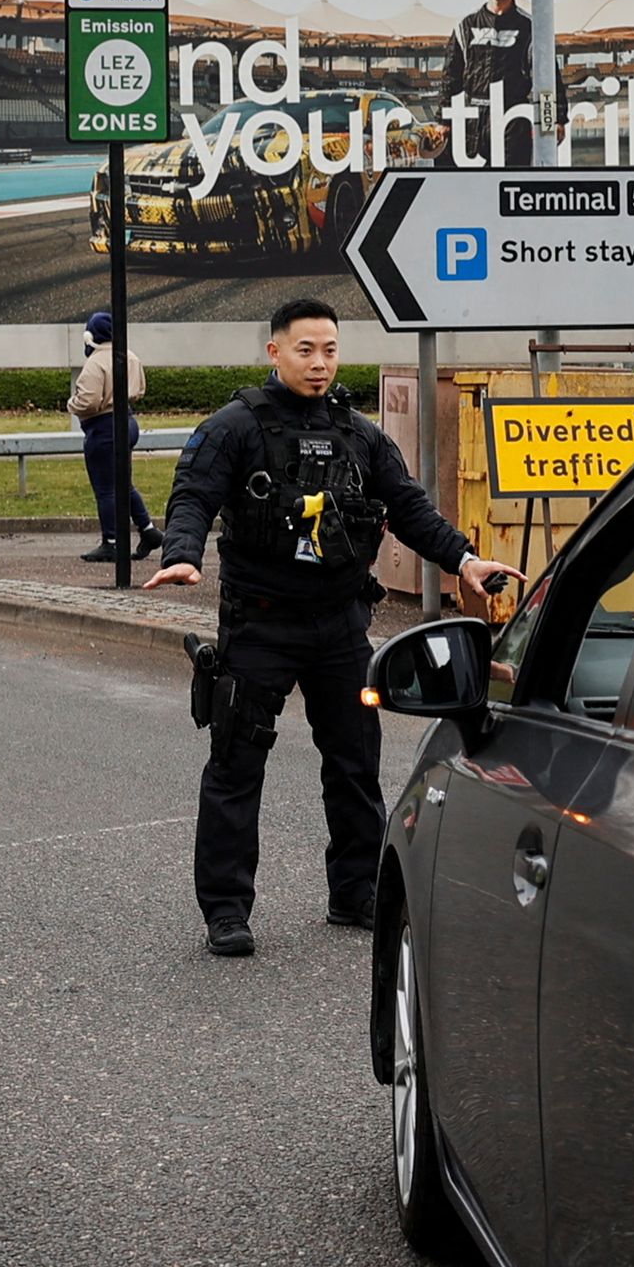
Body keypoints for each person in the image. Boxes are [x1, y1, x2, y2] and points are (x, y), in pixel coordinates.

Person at [144, 296, 511, 957]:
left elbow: (409, 506)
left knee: (354, 763)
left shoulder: (360, 434)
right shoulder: (236, 426)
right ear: (274, 351)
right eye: (305, 349)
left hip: (341, 625)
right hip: (259, 626)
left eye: (330, 350)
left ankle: (356, 892)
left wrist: (463, 557)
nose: (319, 362)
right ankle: (227, 908)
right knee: (236, 763)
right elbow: (193, 493)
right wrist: (180, 555)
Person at [67, 308, 157, 564]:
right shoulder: (129, 355)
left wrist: (70, 404)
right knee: (124, 485)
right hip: (127, 422)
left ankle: (112, 542)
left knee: (105, 489)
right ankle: (148, 529)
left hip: (103, 427)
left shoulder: (95, 362)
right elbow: (138, 390)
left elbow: (89, 401)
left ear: (90, 336)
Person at [442, 0, 539, 168]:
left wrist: (557, 118)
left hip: (513, 117)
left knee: (512, 185)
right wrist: (443, 120)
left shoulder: (529, 27)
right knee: (471, 187)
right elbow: (450, 75)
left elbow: (547, 75)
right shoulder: (466, 26)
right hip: (473, 118)